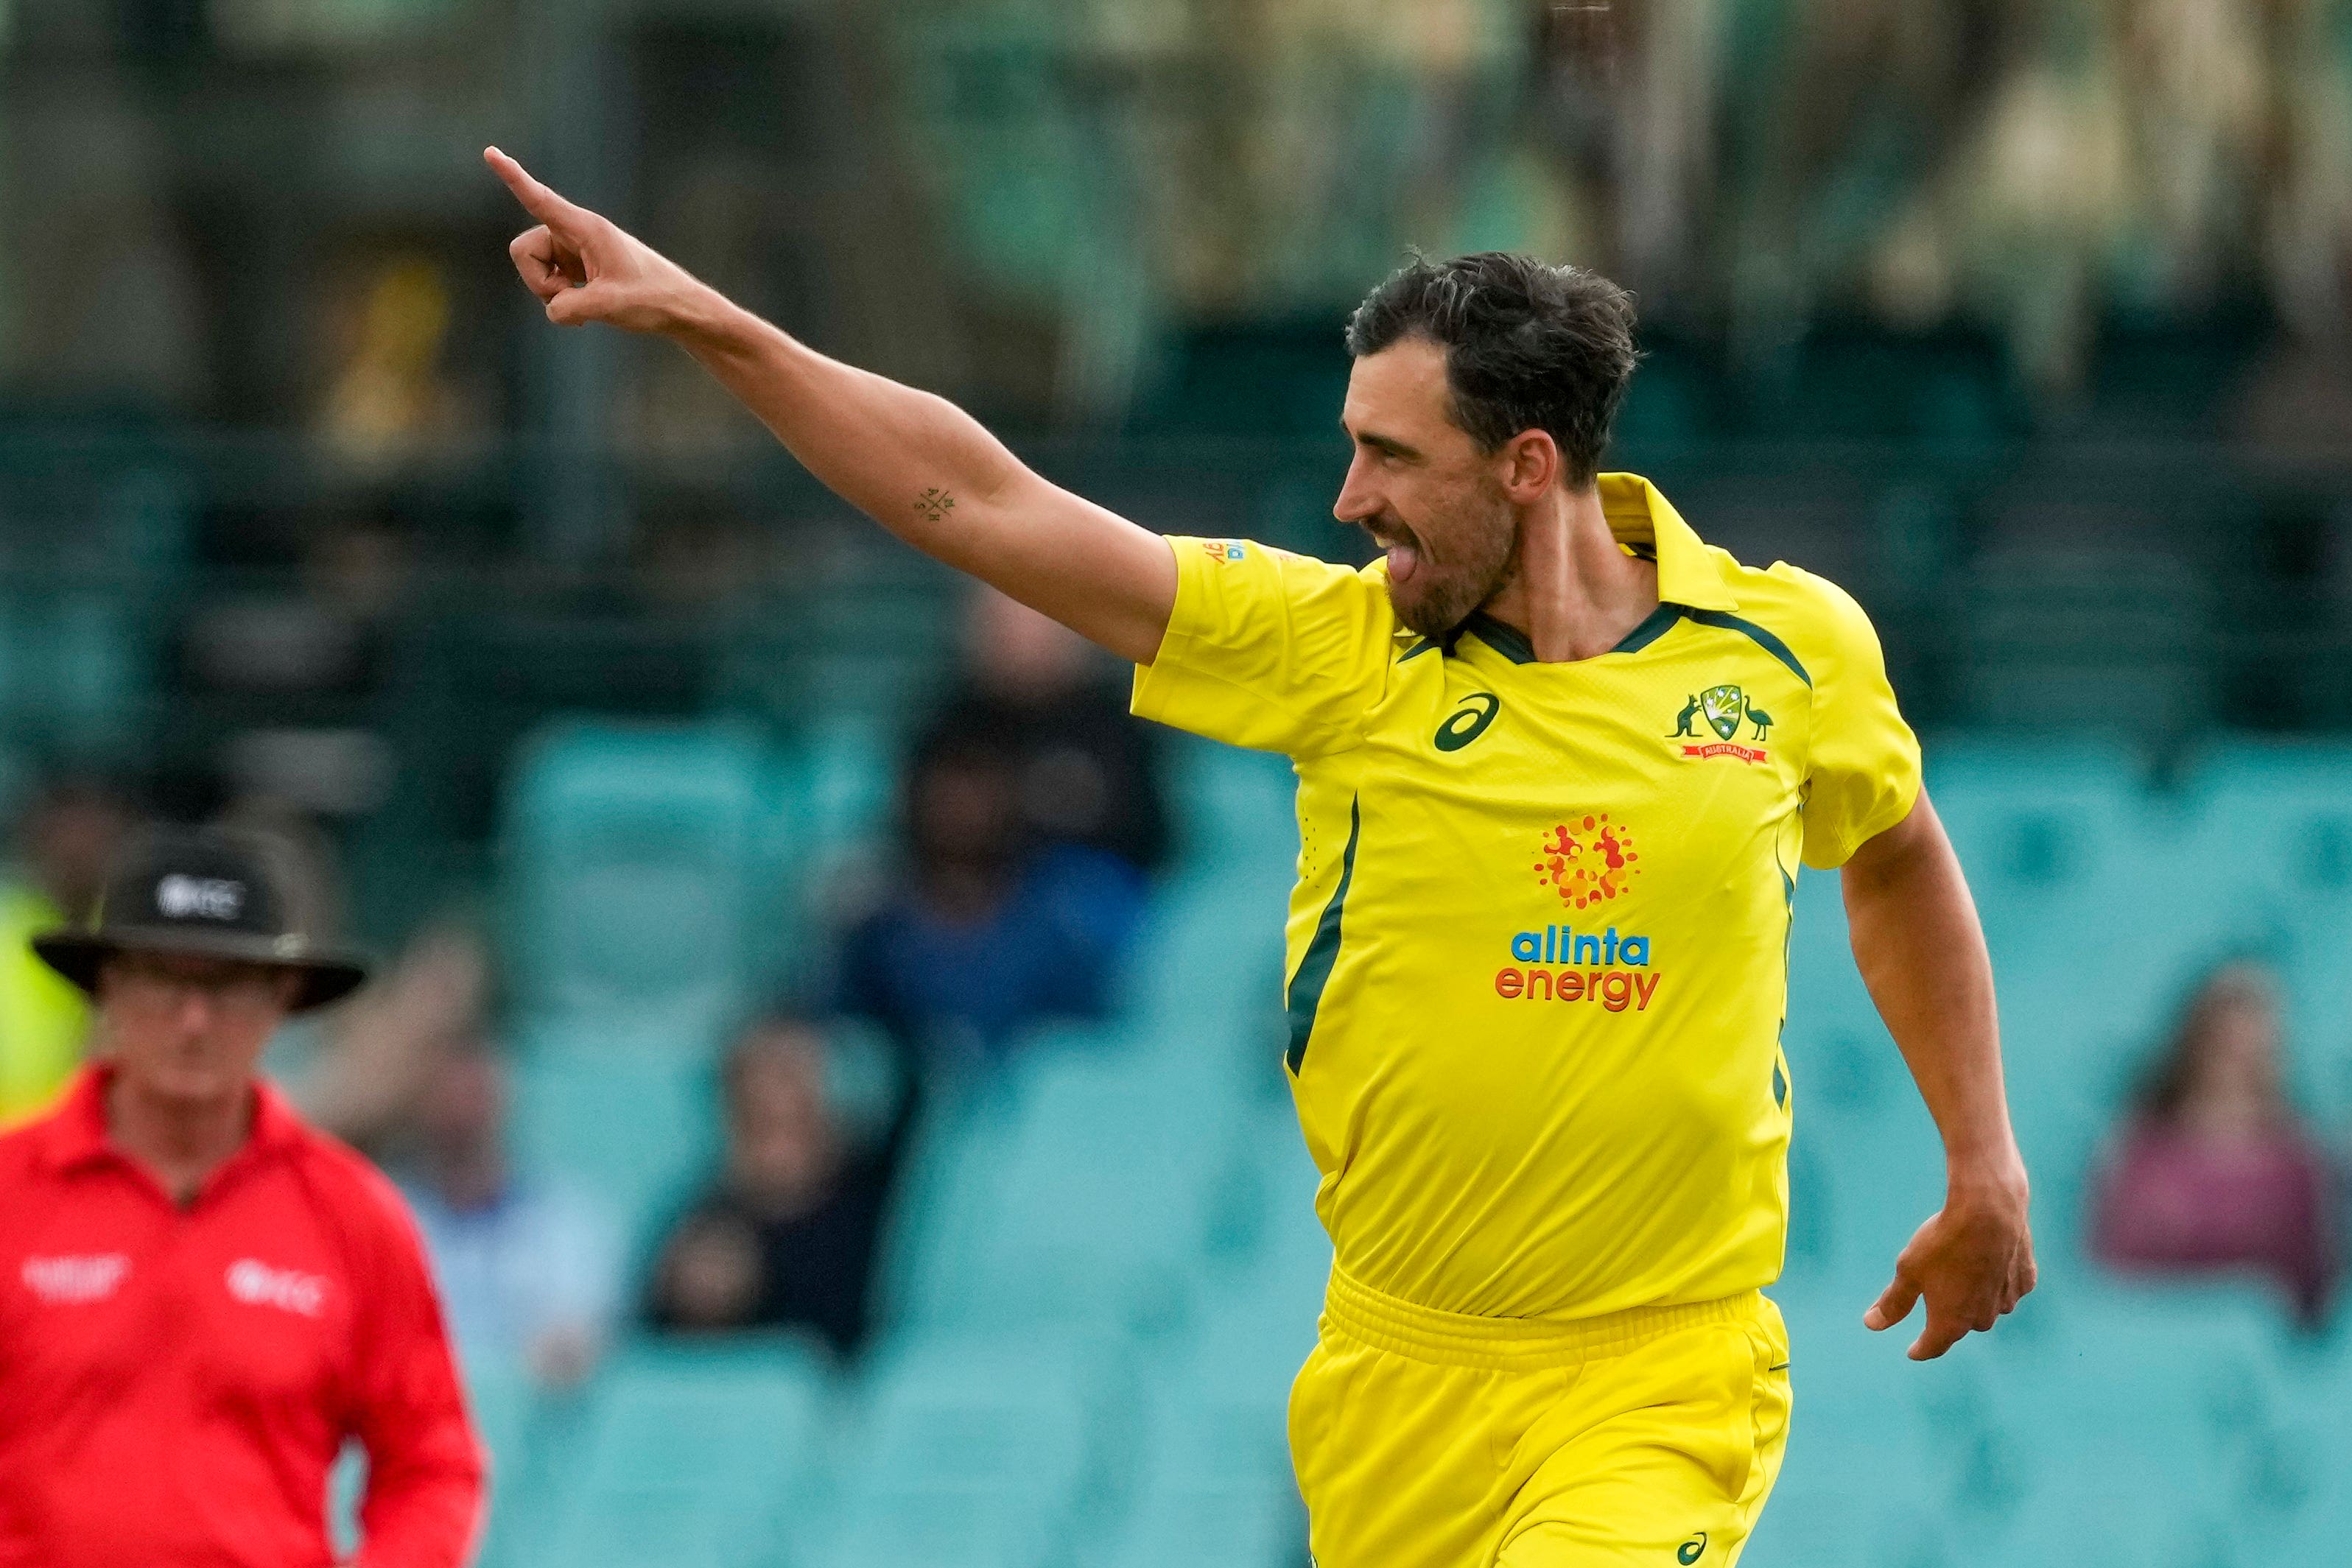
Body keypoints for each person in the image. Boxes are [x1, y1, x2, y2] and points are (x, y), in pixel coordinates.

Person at [489, 152, 2035, 1567]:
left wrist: (1982, 1153)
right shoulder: (1336, 649)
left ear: (1524, 465)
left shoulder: (1790, 647)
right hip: (1395, 1373)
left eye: (1387, 455)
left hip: (1658, 1372)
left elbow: (1892, 850)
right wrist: (706, 320)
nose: (1346, 499)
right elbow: (983, 502)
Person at [0, 827, 482, 1567]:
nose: (193, 1018)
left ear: (281, 997)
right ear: (110, 987)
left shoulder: (351, 1211)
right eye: (164, 978)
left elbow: (431, 1461)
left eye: (225, 984)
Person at [835, 729, 1145, 1072]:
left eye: (978, 795)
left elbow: (1085, 1051)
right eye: (949, 799)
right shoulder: (881, 936)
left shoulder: (1055, 924)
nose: (964, 815)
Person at [644, 1016, 916, 1357]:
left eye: (791, 1079)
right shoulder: (701, 1222)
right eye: (760, 1118)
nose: (776, 1095)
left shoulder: (879, 1196)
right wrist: (697, 1305)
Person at [2092, 963, 2342, 1323]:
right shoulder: (2142, 1152)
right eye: (2225, 1045)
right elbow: (2112, 1263)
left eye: (2251, 1051)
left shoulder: (2299, 1163)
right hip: (2156, 1338)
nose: (2236, 1061)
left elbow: (2314, 1285)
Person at [401, 1038, 620, 1388]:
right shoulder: (383, 1215)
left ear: (500, 1100)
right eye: (445, 1095)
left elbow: (576, 1337)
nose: (461, 1116)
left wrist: (567, 1348)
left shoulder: (565, 1219)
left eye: (474, 1095)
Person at [916, 585, 1173, 876]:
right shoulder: (950, 724)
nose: (1020, 636)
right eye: (1005, 622)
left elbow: (1153, 836)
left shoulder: (1116, 726)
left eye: (1037, 620)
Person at [0, 778, 132, 1125]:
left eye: (93, 839)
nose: (79, 853)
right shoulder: (7, 933)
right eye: (67, 838)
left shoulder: (140, 945)